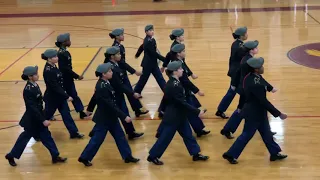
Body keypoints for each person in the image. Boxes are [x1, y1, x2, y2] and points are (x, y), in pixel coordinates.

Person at [222, 57, 288, 164]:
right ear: (256, 69)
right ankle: (230, 154)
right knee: (246, 135)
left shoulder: (251, 77)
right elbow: (263, 101)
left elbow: (263, 82)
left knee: (266, 133)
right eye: (261, 66)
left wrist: (270, 88)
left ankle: (274, 153)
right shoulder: (255, 84)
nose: (263, 67)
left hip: (258, 112)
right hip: (254, 113)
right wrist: (279, 114)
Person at [147, 61, 209, 165]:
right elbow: (181, 103)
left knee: (188, 135)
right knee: (165, 138)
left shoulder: (175, 82)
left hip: (180, 115)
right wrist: (197, 111)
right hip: (173, 117)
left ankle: (195, 154)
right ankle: (153, 156)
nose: (182, 70)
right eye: (180, 69)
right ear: (175, 72)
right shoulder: (174, 85)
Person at [78, 63, 140, 166]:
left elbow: (96, 98)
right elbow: (110, 104)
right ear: (103, 74)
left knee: (120, 137)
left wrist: (90, 109)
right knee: (97, 140)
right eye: (110, 71)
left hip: (111, 117)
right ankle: (85, 157)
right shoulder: (102, 87)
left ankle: (127, 156)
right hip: (104, 118)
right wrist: (124, 116)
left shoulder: (106, 83)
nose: (112, 73)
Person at [5, 66, 67, 166]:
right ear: (30, 77)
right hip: (32, 120)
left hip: (38, 118)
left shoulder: (34, 85)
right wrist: (43, 120)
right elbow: (32, 108)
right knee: (24, 139)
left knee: (47, 137)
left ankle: (55, 156)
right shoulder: (28, 90)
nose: (37, 75)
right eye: (35, 74)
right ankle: (11, 155)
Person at [87, 47, 144, 140]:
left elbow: (125, 66)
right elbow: (119, 85)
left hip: (118, 95)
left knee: (121, 113)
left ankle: (130, 132)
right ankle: (96, 130)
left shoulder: (117, 64)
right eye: (118, 54)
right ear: (112, 57)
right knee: (116, 113)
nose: (120, 55)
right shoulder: (110, 69)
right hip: (114, 96)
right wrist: (132, 93)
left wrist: (134, 72)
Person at [156, 44, 209, 138]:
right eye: (183, 51)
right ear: (178, 54)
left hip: (183, 90)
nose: (185, 52)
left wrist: (191, 74)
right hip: (180, 92)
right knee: (185, 110)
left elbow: (185, 69)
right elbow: (185, 81)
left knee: (191, 110)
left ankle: (199, 129)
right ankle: (160, 131)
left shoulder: (180, 61)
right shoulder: (177, 65)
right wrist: (197, 91)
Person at [42, 49, 84, 139]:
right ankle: (37, 132)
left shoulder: (53, 67)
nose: (57, 58)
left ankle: (73, 132)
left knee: (66, 115)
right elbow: (54, 86)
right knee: (46, 116)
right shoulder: (48, 70)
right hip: (52, 98)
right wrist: (66, 96)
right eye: (54, 57)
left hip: (60, 97)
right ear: (49, 59)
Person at [108, 28, 149, 117]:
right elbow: (121, 63)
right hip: (118, 73)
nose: (123, 36)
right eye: (122, 35)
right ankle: (133, 110)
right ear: (117, 37)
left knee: (130, 91)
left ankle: (137, 109)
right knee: (128, 91)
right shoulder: (116, 48)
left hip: (122, 72)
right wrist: (134, 71)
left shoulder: (119, 46)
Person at [215, 27, 248, 119]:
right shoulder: (240, 46)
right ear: (242, 36)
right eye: (246, 33)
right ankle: (241, 111)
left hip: (235, 71)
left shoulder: (236, 44)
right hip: (237, 72)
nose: (247, 34)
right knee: (240, 92)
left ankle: (221, 110)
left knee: (232, 92)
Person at [55, 33, 89, 119]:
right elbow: (65, 68)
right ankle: (48, 114)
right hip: (65, 78)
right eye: (68, 40)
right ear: (63, 42)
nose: (70, 41)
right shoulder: (62, 53)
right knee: (59, 97)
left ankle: (81, 111)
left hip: (68, 78)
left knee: (73, 94)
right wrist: (77, 76)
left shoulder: (65, 52)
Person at [133, 24, 166, 95]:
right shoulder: (148, 41)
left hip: (153, 63)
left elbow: (142, 46)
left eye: (152, 30)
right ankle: (136, 92)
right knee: (143, 79)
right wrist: (164, 59)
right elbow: (154, 53)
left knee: (160, 78)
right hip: (148, 64)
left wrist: (138, 54)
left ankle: (167, 92)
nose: (152, 31)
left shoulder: (151, 39)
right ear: (146, 32)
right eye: (150, 30)